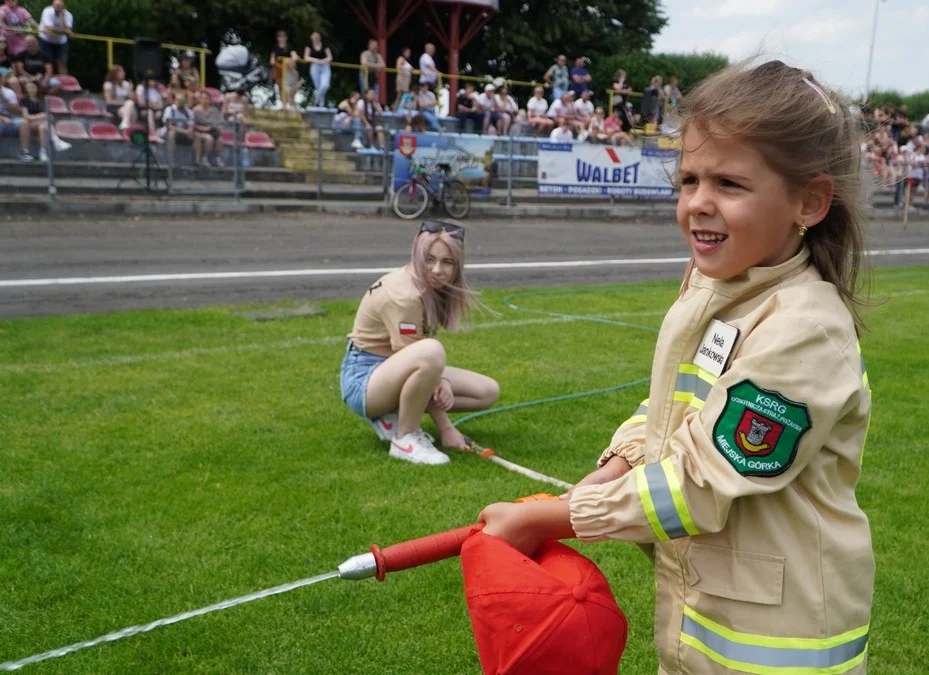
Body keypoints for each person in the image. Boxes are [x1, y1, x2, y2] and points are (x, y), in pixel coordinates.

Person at [477, 61, 874, 675]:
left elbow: (701, 481)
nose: (697, 204)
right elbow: (672, 405)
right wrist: (615, 466)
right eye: (688, 179)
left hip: (779, 646)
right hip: (704, 618)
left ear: (810, 201)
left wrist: (556, 517)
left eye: (729, 184)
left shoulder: (804, 330)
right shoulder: (712, 286)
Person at [341, 221, 500, 465]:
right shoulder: (404, 295)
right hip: (364, 381)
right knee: (431, 352)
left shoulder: (428, 287)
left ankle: (392, 414)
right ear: (417, 256)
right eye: (429, 259)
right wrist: (446, 428)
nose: (437, 270)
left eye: (447, 262)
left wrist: (440, 380)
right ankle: (405, 438)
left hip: (391, 368)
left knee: (487, 392)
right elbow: (420, 358)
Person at [191, 89, 224, 166]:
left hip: (212, 130)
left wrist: (216, 128)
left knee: (220, 139)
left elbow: (219, 122)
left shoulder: (214, 110)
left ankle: (217, 158)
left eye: (207, 98)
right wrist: (204, 128)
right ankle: (204, 158)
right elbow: (193, 124)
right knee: (209, 139)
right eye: (203, 98)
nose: (205, 100)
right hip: (199, 131)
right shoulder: (195, 110)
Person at [36, 0, 70, 75]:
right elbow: (50, 28)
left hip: (61, 42)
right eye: (56, 5)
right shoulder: (47, 11)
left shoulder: (68, 15)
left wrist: (61, 16)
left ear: (64, 6)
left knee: (62, 62)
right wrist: (65, 31)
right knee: (48, 63)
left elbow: (66, 30)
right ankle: (48, 83)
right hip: (46, 40)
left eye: (60, 6)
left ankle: (64, 83)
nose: (57, 8)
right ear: (52, 5)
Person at [269, 30, 297, 109]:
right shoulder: (275, 47)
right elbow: (272, 60)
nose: (281, 38)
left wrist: (292, 59)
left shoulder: (290, 46)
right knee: (280, 87)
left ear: (286, 38)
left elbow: (294, 55)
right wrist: (275, 63)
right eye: (280, 37)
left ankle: (290, 102)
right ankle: (283, 104)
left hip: (288, 69)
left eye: (283, 36)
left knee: (289, 86)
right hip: (278, 68)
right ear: (278, 38)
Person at [304, 32, 332, 108]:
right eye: (314, 36)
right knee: (318, 87)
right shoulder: (309, 46)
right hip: (314, 67)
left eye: (317, 36)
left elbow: (330, 57)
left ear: (320, 37)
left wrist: (322, 61)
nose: (315, 37)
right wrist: (316, 60)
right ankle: (321, 105)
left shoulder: (324, 45)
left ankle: (315, 99)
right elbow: (306, 57)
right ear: (311, 38)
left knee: (325, 85)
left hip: (325, 66)